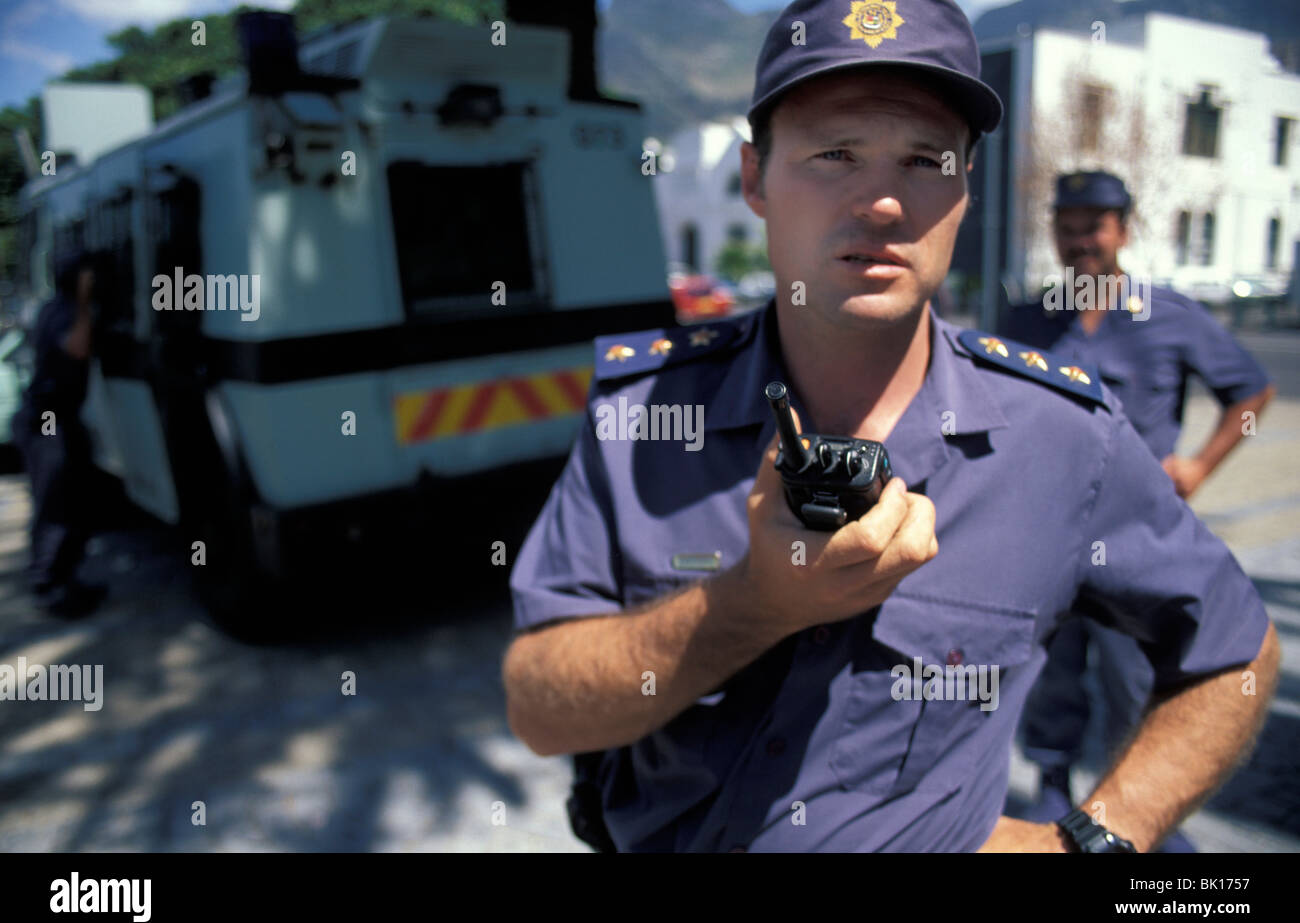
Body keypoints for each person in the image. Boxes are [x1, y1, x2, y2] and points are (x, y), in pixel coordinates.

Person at [504, 0, 1279, 852]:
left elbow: (1237, 652)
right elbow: (540, 708)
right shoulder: (642, 417)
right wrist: (751, 605)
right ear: (755, 178)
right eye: (836, 154)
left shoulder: (1063, 438)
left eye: (923, 159)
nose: (880, 203)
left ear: (963, 190)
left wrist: (1094, 841)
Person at [999, 172, 1276, 851]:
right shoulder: (1029, 317)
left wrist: (1201, 466)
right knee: (1050, 678)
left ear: (1123, 230)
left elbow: (1252, 395)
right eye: (1068, 226)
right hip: (1048, 536)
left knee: (1138, 683)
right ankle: (1054, 788)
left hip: (1136, 543)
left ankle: (1146, 819)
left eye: (1095, 225)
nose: (1080, 240)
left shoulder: (1170, 315)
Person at [10, 250, 108, 618]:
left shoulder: (54, 305)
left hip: (57, 417)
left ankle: (66, 579)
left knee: (75, 502)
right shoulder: (66, 310)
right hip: (46, 420)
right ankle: (48, 586)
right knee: (55, 505)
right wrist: (85, 302)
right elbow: (77, 348)